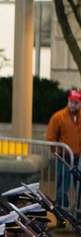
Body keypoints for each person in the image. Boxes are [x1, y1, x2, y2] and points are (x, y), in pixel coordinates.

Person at [46, 88, 81, 222]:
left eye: (76, 103)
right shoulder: (58, 117)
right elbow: (51, 137)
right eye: (71, 102)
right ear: (68, 101)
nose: (73, 105)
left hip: (78, 157)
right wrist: (57, 153)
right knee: (61, 188)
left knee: (79, 188)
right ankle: (62, 215)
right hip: (64, 158)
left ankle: (78, 214)